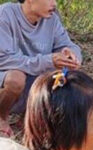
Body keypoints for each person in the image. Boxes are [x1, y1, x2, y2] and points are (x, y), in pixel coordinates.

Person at [0, 0, 82, 138]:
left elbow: (68, 45)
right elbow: (4, 59)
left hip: (32, 76)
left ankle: (29, 117)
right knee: (16, 78)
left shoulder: (51, 19)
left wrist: (72, 56)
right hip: (6, 75)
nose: (54, 4)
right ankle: (1, 118)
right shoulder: (5, 15)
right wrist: (48, 60)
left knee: (64, 75)